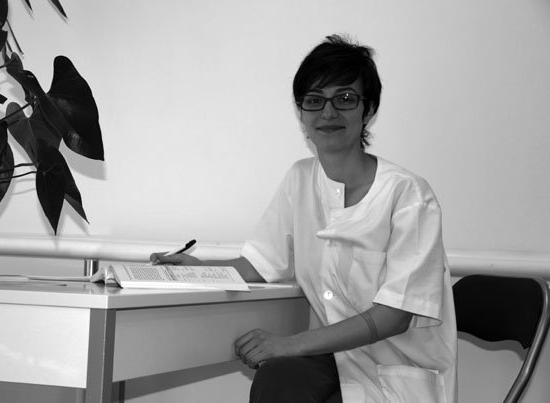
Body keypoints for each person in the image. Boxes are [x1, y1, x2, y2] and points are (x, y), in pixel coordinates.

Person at [151, 34, 457, 403]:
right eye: (314, 100)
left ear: (368, 110)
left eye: (345, 98)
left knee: (286, 366)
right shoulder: (300, 178)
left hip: (395, 373)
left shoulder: (409, 195)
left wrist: (289, 344)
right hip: (335, 362)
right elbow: (260, 263)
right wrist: (198, 270)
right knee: (279, 379)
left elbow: (394, 317)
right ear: (302, 114)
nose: (328, 113)